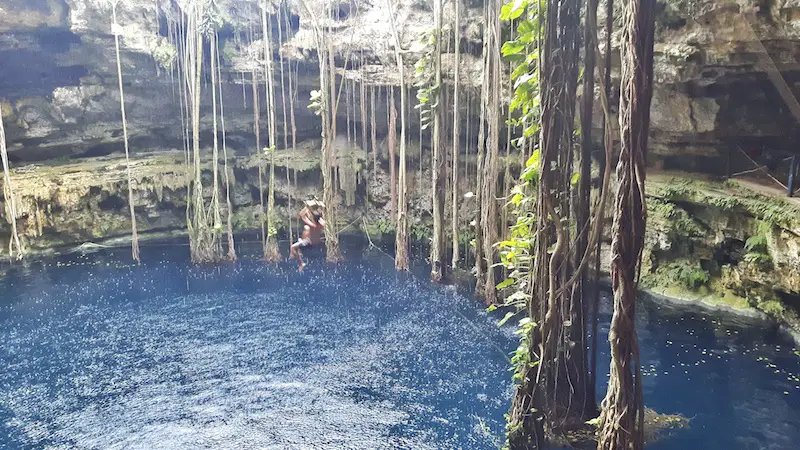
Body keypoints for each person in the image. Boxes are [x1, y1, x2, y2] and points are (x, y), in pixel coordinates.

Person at [289, 200, 326, 272]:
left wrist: (307, 207)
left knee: (292, 247)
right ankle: (300, 243)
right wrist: (318, 205)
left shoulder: (312, 225)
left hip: (308, 244)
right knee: (306, 228)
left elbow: (302, 215)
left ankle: (301, 263)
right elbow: (320, 215)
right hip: (317, 243)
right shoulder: (322, 224)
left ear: (313, 219)